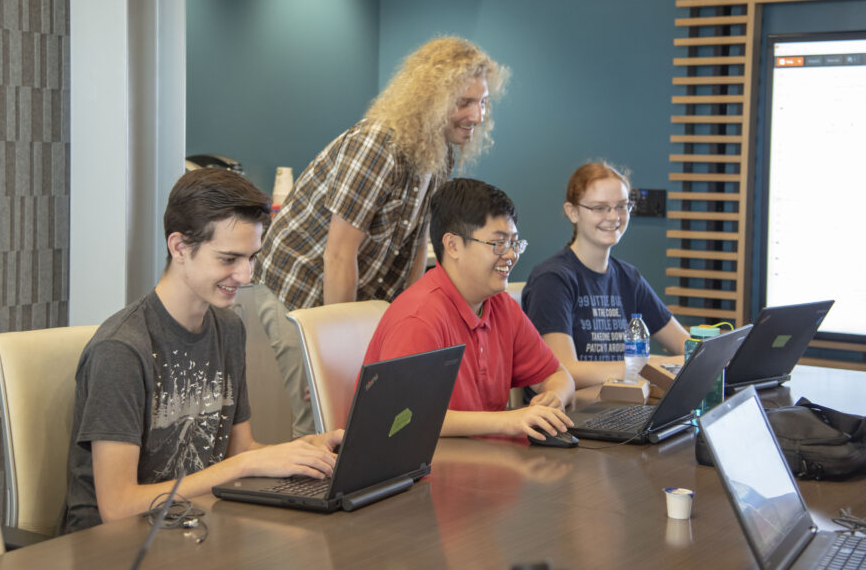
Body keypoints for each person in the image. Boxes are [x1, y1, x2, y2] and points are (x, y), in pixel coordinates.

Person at [59, 169, 343, 534]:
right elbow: (117, 506)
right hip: (117, 549)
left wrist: (306, 449)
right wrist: (243, 467)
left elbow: (240, 450)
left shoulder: (228, 328)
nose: (245, 275)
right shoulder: (122, 349)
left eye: (252, 257)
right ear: (179, 247)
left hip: (194, 529)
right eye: (228, 259)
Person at [252, 36, 510, 437]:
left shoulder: (439, 155)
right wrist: (335, 346)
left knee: (370, 414)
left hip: (353, 292)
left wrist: (403, 322)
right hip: (299, 288)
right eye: (464, 102)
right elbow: (339, 254)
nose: (477, 115)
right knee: (323, 420)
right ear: (432, 99)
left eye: (483, 102)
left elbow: (413, 252)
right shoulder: (379, 144)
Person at [362, 178, 575, 439]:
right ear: (452, 245)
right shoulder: (418, 318)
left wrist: (553, 397)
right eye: (498, 243)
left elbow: (557, 374)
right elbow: (405, 419)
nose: (510, 255)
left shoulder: (501, 306)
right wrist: (508, 421)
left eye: (514, 243)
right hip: (430, 469)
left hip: (488, 462)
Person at [521, 162, 688, 390]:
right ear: (572, 212)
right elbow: (564, 369)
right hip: (574, 414)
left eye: (621, 206)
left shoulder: (629, 278)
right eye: (599, 208)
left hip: (620, 404)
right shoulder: (552, 279)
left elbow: (684, 345)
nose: (613, 217)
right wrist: (647, 365)